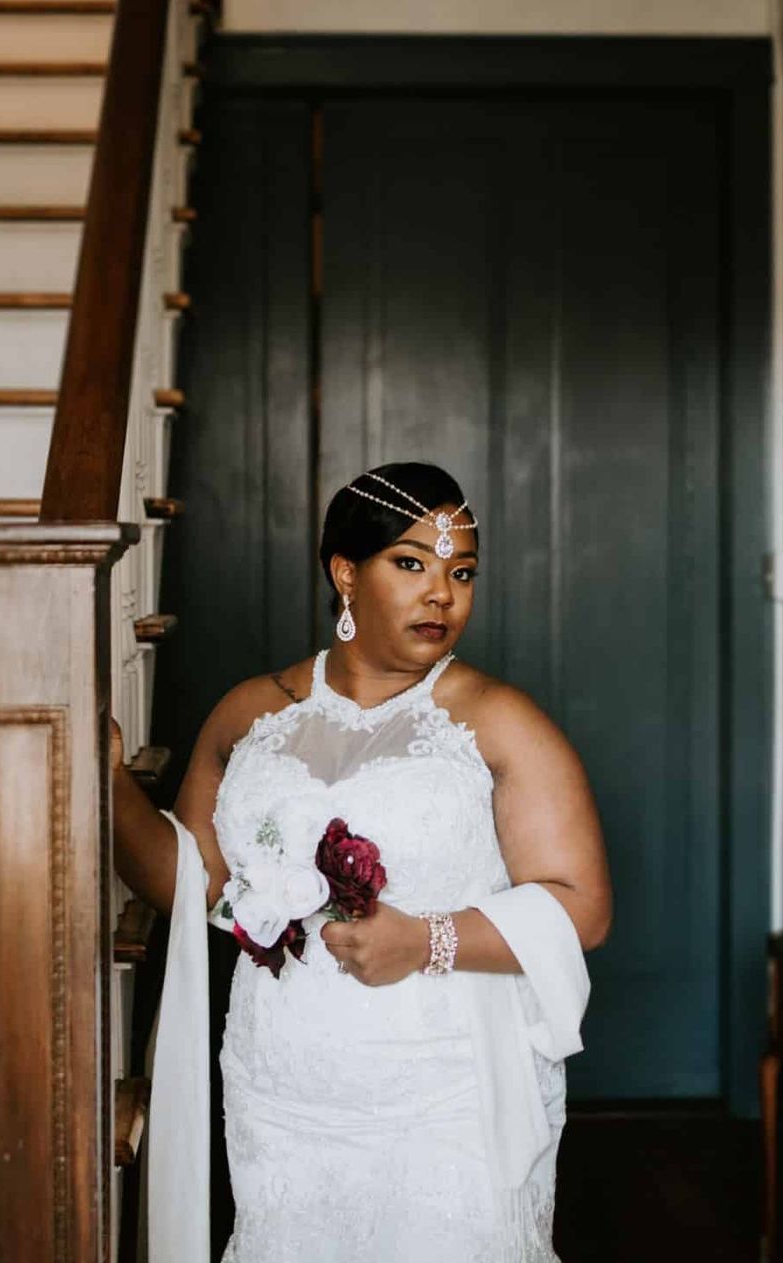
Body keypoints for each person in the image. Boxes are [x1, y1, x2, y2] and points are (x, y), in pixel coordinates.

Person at [109, 460, 614, 1262]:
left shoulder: (498, 721)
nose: (442, 594)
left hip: (443, 1092)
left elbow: (581, 904)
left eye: (462, 572)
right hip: (282, 1085)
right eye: (411, 564)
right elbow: (196, 885)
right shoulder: (251, 713)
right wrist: (105, 785)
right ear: (345, 572)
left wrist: (426, 939)